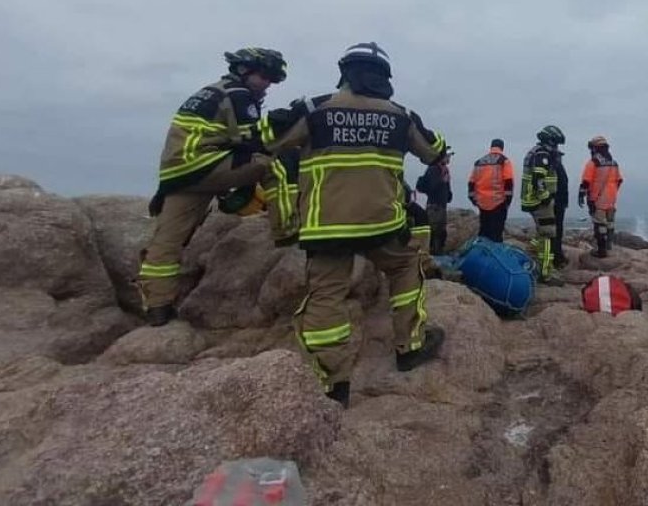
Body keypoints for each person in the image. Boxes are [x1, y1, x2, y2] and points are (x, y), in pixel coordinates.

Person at [265, 42, 447, 407]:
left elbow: (269, 140)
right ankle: (410, 346)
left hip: (326, 227)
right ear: (385, 78)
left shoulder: (314, 109)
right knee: (405, 267)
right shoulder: (401, 116)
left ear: (345, 73)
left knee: (326, 295)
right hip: (382, 224)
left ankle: (334, 384)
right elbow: (435, 149)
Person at [137, 47, 287, 327]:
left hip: (179, 172)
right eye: (264, 76)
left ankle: (157, 307)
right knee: (273, 163)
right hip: (204, 164)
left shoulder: (211, 91)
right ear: (244, 70)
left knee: (167, 240)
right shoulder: (239, 94)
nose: (267, 84)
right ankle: (286, 230)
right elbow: (254, 140)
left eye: (271, 79)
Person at [521, 125, 566, 285]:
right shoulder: (542, 154)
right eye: (556, 143)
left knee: (542, 234)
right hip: (540, 201)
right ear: (550, 140)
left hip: (534, 199)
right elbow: (538, 178)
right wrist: (545, 197)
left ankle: (532, 250)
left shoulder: (537, 152)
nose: (557, 147)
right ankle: (546, 273)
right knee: (548, 234)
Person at [579, 135, 623, 258]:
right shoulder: (614, 163)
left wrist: (581, 195)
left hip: (597, 198)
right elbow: (619, 180)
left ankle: (601, 251)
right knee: (610, 223)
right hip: (611, 199)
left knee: (599, 225)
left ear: (594, 148)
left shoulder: (593, 162)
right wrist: (612, 192)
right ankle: (609, 246)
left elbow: (586, 181)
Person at [468, 139, 515, 242]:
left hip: (482, 202)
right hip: (498, 202)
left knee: (484, 232)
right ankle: (494, 250)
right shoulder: (504, 161)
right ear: (502, 148)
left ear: (491, 147)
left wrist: (473, 199)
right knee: (496, 234)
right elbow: (508, 182)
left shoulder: (479, 162)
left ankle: (482, 249)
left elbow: (471, 182)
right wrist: (508, 201)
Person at [416, 150, 453, 254]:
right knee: (434, 231)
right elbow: (431, 187)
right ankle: (432, 253)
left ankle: (438, 252)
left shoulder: (443, 170)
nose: (449, 158)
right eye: (447, 156)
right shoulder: (433, 169)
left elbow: (446, 190)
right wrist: (442, 181)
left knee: (441, 232)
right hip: (434, 206)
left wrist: (448, 194)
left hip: (441, 206)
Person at [554, 146, 570, 267]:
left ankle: (557, 255)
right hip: (557, 203)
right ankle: (557, 257)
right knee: (556, 231)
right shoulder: (556, 167)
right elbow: (563, 184)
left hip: (557, 203)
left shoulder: (556, 167)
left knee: (556, 231)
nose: (560, 158)